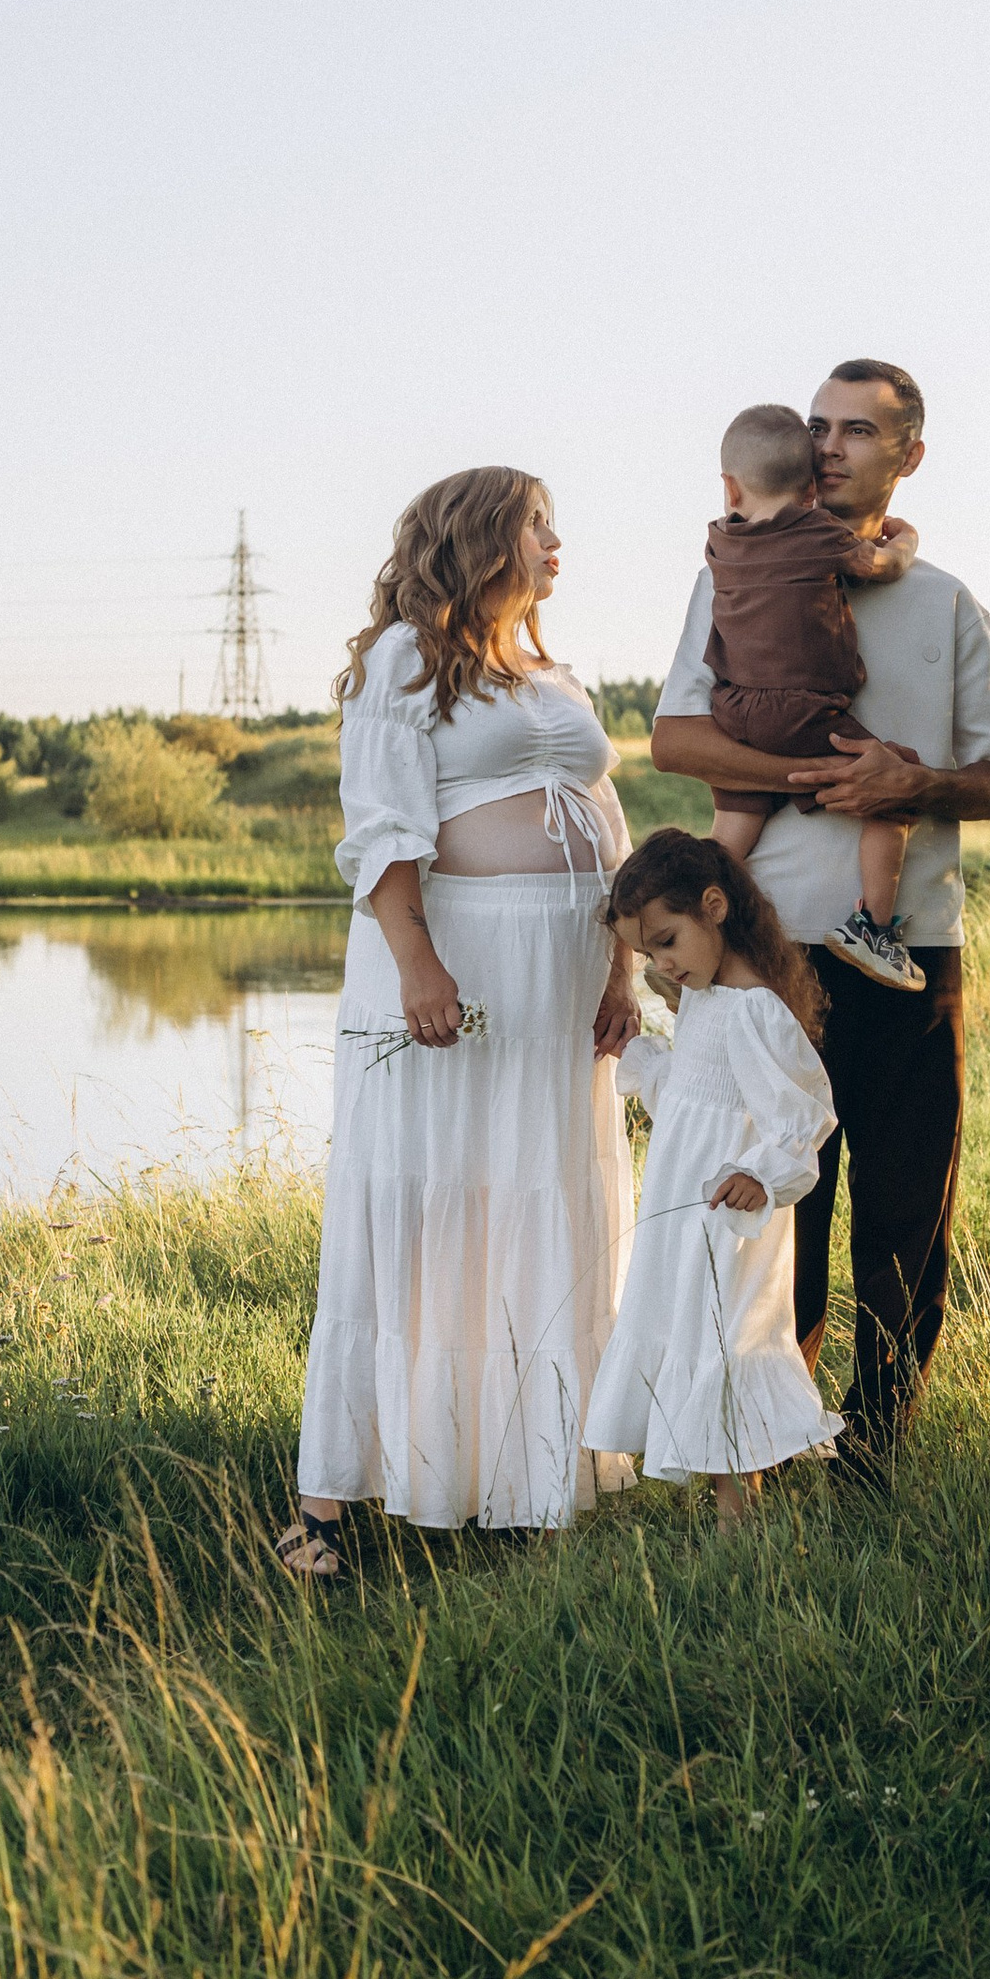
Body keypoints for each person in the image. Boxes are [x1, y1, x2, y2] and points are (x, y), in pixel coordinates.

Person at [651, 361, 990, 1480]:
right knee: (780, 1219)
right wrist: (821, 774)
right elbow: (676, 743)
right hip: (767, 962)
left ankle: (877, 1450)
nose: (827, 445)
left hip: (909, 953)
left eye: (856, 431)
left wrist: (906, 787)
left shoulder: (944, 601)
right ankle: (767, 1443)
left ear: (907, 455)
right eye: (815, 426)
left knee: (906, 1215)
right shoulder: (727, 575)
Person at [287, 467, 639, 1565]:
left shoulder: (552, 672)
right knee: (430, 1202)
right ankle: (327, 1512)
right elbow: (380, 828)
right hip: (460, 959)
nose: (556, 543)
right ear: (483, 539)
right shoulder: (404, 660)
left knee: (543, 1197)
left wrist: (623, 967)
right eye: (538, 524)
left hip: (567, 971)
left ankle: (531, 1477)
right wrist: (418, 964)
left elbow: (608, 822)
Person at [585, 828, 841, 1525]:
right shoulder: (705, 999)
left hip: (731, 1217)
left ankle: (739, 1511)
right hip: (684, 1206)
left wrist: (762, 1174)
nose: (660, 964)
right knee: (694, 1332)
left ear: (715, 907)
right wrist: (638, 1055)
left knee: (727, 1342)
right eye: (646, 953)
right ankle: (728, 1501)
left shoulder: (755, 1010)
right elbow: (693, 1098)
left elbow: (804, 1115)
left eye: (667, 941)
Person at [700, 398, 924, 991]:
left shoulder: (720, 545)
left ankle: (694, 932)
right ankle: (872, 927)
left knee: (734, 826)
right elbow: (880, 565)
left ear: (730, 489)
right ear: (810, 492)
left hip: (736, 709)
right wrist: (907, 539)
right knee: (894, 787)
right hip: (804, 710)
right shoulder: (817, 533)